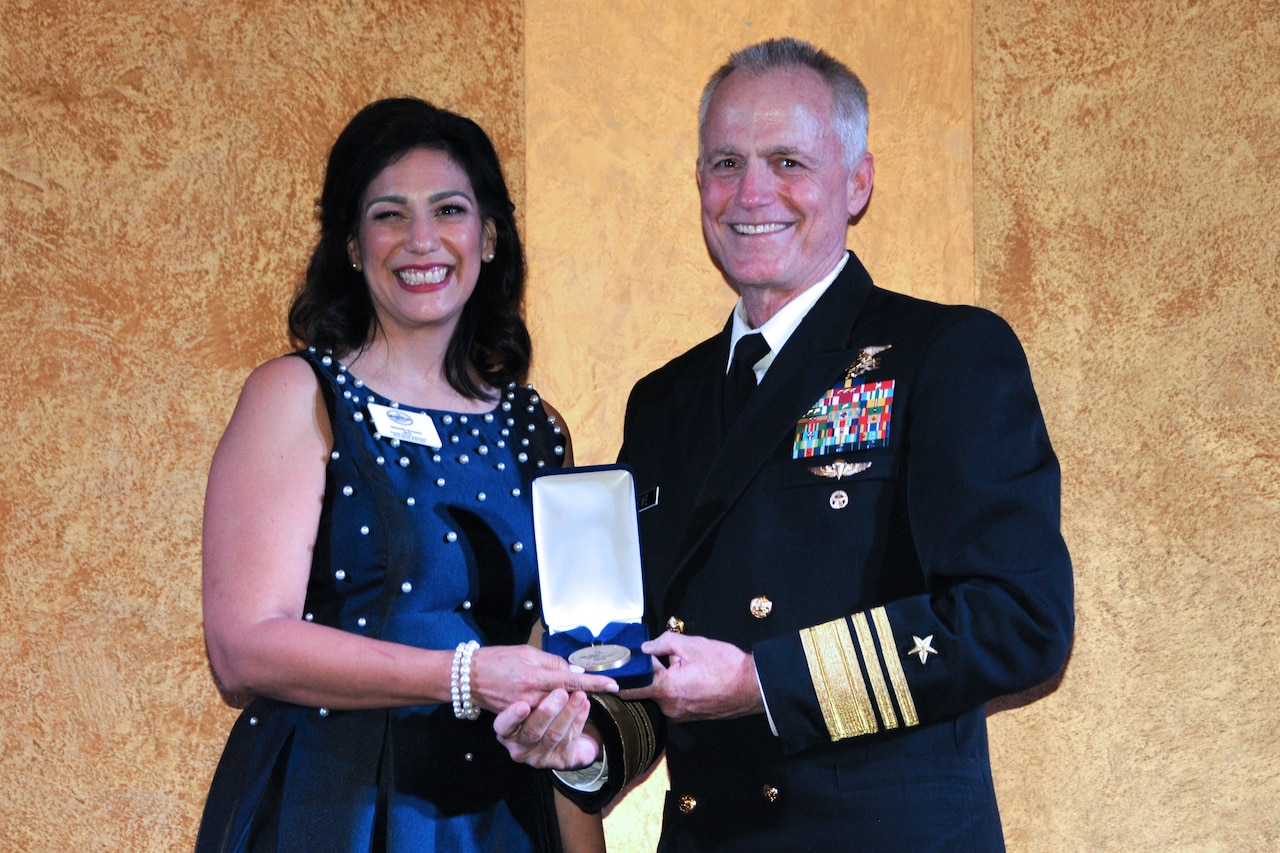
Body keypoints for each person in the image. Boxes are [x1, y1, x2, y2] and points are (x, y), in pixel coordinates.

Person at [499, 38, 1074, 851]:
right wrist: (586, 747)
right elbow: (647, 656)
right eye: (726, 162)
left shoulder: (944, 354)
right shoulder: (665, 401)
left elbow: (1021, 621)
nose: (751, 192)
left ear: (859, 182)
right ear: (698, 183)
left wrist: (763, 682)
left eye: (788, 161)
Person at [196, 97, 622, 853]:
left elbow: (558, 673)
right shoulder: (297, 395)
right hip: (333, 807)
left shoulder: (536, 428)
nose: (421, 240)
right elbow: (242, 649)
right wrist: (461, 676)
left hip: (501, 818)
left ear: (488, 236)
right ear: (354, 246)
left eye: (449, 209)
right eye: (389, 214)